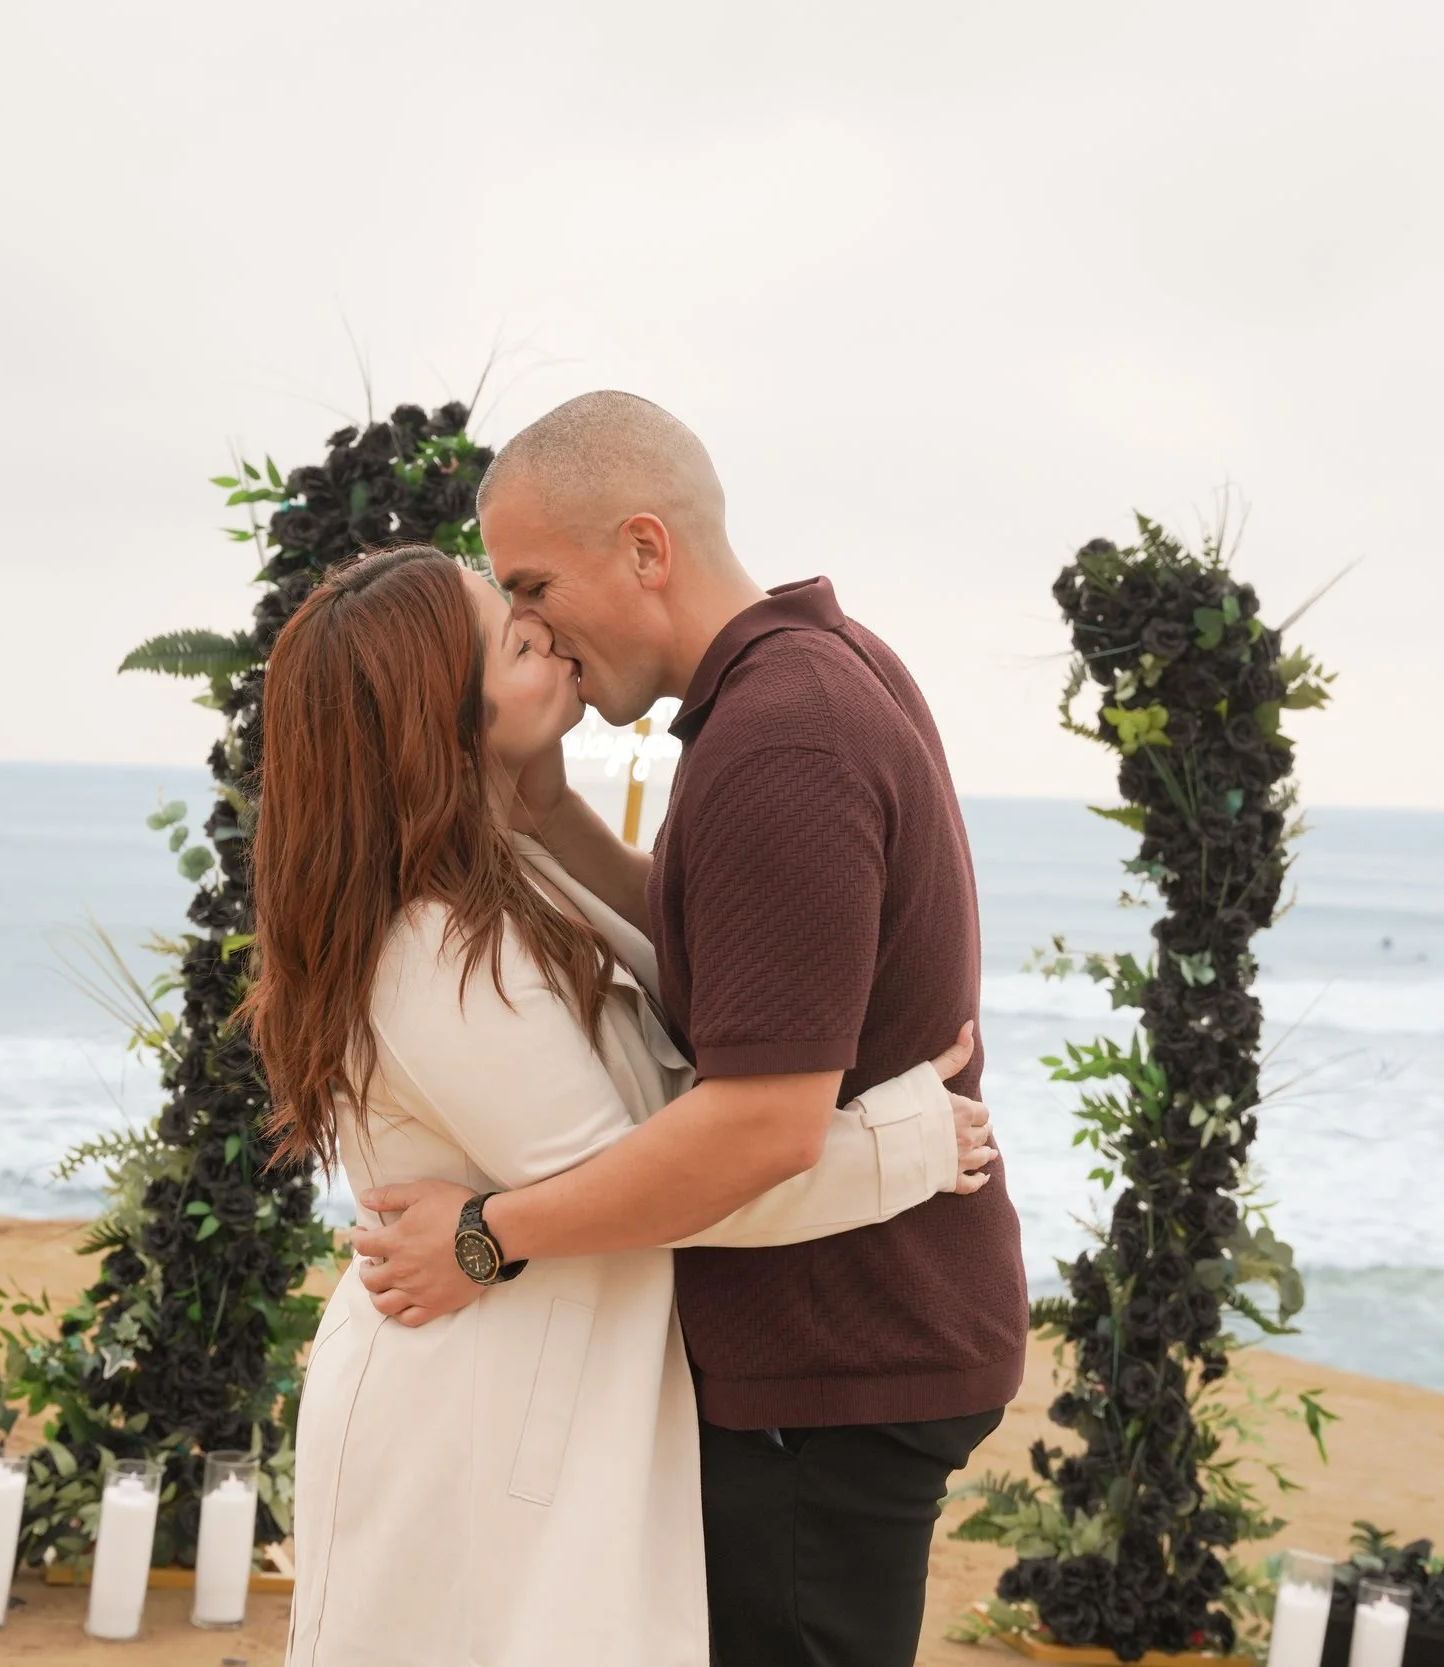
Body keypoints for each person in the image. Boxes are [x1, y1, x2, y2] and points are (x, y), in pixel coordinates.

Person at [352, 392, 1032, 1667]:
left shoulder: (779, 739)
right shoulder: (814, 671)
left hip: (828, 1348)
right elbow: (721, 963)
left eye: (534, 585)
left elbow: (761, 1126)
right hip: (845, 1334)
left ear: (645, 548)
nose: (533, 625)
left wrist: (485, 1235)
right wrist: (550, 813)